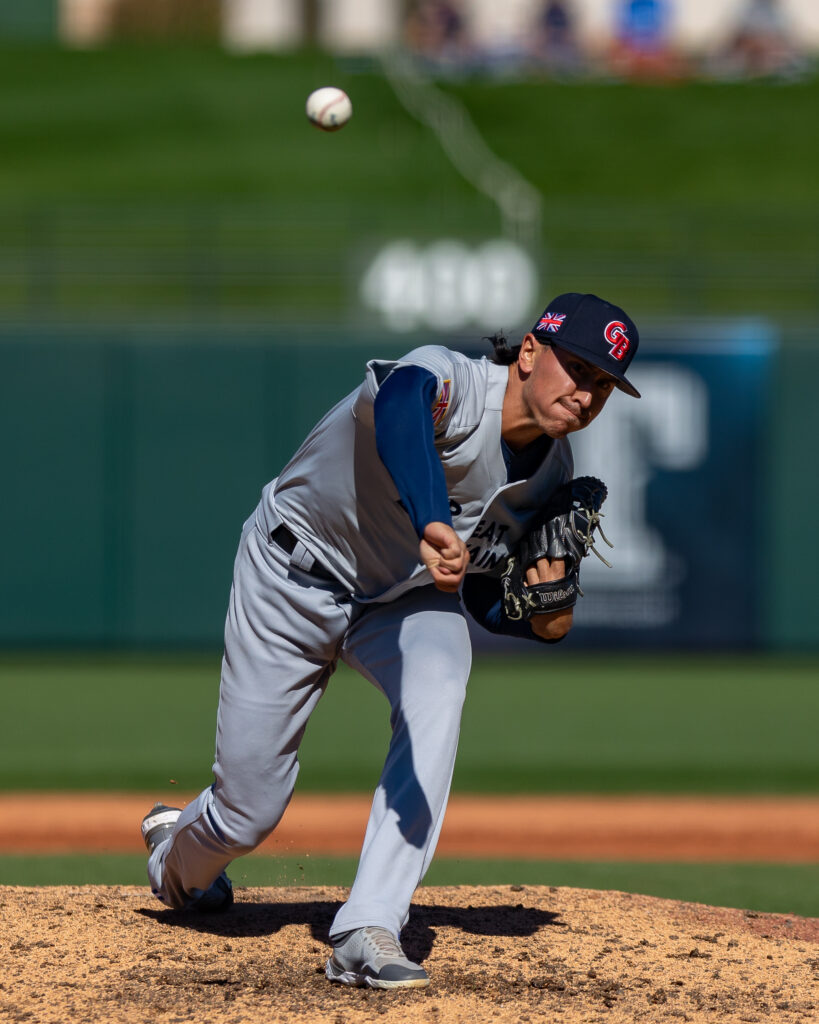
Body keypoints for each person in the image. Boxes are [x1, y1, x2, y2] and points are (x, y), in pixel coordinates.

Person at [141, 292, 641, 989]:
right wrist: (432, 519)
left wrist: (538, 617)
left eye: (603, 385)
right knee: (247, 813)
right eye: (578, 369)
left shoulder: (549, 475)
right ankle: (175, 856)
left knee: (442, 681)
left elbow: (478, 591)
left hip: (398, 600)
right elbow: (401, 410)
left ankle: (367, 923)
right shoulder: (447, 379)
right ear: (529, 352)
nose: (586, 395)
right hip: (291, 571)